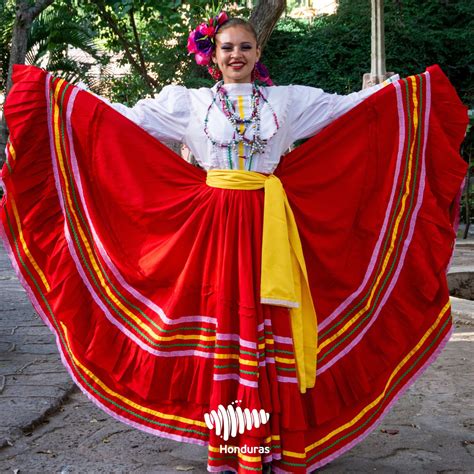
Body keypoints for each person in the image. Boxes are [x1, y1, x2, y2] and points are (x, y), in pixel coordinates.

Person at [0, 11, 468, 474]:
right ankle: (230, 446)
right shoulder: (190, 103)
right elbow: (123, 121)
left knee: (271, 329)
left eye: (245, 47)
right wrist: (63, 100)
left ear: (258, 52)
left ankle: (275, 443)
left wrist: (403, 92)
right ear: (213, 55)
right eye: (228, 48)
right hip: (216, 227)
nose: (237, 54)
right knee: (228, 327)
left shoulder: (287, 101)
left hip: (273, 227)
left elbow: (349, 109)